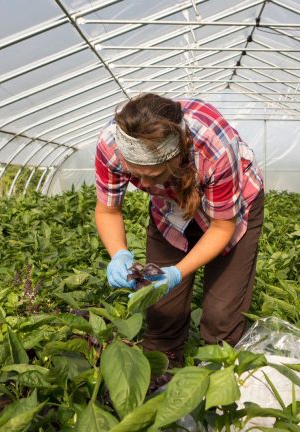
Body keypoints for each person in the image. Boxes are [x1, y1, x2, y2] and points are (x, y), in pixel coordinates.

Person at [94, 93, 264, 367]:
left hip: (233, 209)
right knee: (162, 312)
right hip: (169, 211)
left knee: (221, 315)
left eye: (152, 175)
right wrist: (119, 254)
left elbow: (222, 226)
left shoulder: (215, 147)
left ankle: (219, 376)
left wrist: (175, 273)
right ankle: (163, 376)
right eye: (135, 174)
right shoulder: (111, 145)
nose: (142, 184)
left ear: (178, 156)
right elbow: (108, 210)